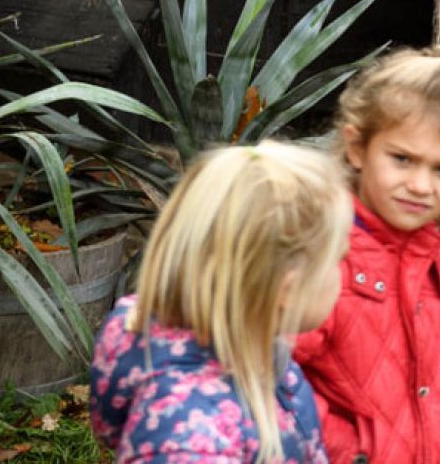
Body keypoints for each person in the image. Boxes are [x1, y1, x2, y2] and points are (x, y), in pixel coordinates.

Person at [90, 142, 352, 464]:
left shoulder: (258, 352)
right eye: (337, 260)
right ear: (287, 288)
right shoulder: (189, 440)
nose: (342, 275)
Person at [294, 45, 440, 463]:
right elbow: (265, 375)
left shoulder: (426, 251)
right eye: (402, 159)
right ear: (357, 148)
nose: (422, 185)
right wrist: (352, 452)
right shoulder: (321, 256)